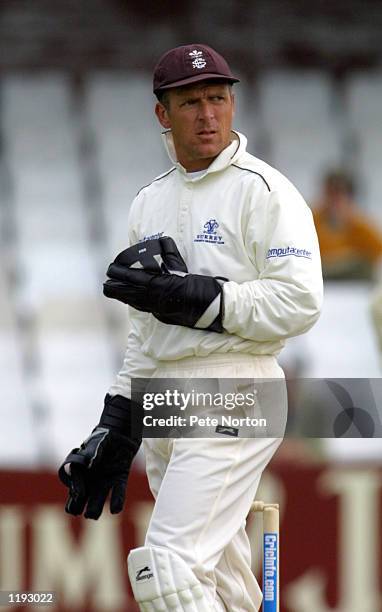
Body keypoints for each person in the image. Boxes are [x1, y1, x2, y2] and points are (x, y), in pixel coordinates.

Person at [59, 44, 323, 611]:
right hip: (166, 400)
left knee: (167, 567)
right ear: (163, 113)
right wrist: (118, 422)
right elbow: (144, 333)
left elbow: (300, 301)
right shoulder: (148, 202)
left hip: (235, 389)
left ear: (232, 104)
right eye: (191, 103)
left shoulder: (265, 191)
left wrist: (200, 298)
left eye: (218, 99)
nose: (207, 115)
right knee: (219, 588)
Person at [312, 169, 382, 281]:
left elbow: (378, 255)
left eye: (339, 195)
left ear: (350, 198)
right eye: (330, 194)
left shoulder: (361, 227)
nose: (333, 201)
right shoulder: (310, 222)